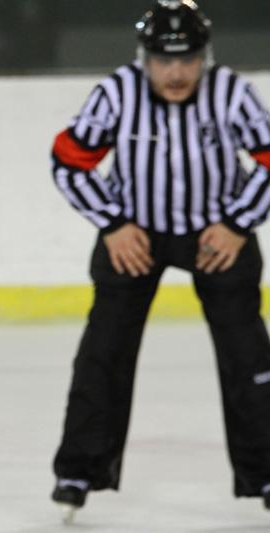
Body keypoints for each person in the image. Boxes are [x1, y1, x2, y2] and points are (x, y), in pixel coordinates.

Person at [49, 0, 270, 521]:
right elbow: (67, 159)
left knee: (249, 357)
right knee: (102, 352)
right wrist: (113, 223)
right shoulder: (116, 93)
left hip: (219, 235)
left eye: (188, 59)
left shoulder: (232, 92)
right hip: (136, 235)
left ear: (204, 56)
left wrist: (238, 223)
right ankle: (78, 471)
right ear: (144, 56)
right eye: (163, 59)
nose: (176, 72)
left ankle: (266, 472)